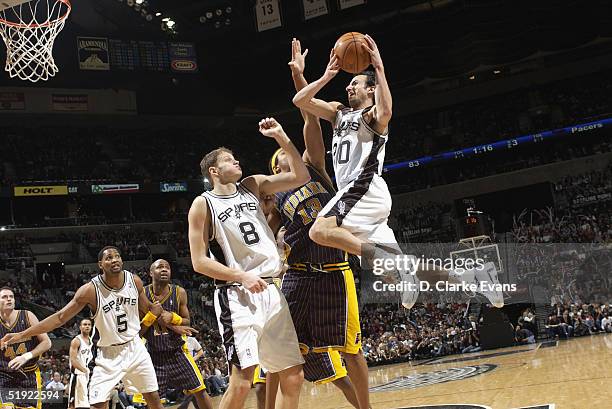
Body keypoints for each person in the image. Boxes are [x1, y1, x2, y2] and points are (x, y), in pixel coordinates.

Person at [292, 35, 503, 309]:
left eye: (355, 82)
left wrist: (379, 68)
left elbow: (387, 109)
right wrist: (322, 76)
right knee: (396, 272)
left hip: (362, 188)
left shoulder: (373, 118)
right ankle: (471, 276)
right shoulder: (337, 113)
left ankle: (388, 260)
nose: (348, 87)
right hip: (360, 197)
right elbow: (300, 102)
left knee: (319, 230)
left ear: (371, 90)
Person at [264, 38, 369, 409]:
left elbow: (309, 115)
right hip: (298, 274)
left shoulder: (316, 170)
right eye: (279, 165)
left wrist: (300, 75)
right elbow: (270, 238)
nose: (285, 167)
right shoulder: (274, 197)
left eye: (288, 160)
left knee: (350, 352)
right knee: (282, 354)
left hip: (334, 269)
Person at [188, 117, 309, 409]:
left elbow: (301, 177)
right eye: (230, 160)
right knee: (242, 380)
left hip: (271, 289)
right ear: (215, 171)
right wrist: (241, 276)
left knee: (293, 375)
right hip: (237, 294)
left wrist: (281, 136)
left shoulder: (252, 185)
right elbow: (199, 261)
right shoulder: (203, 204)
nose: (237, 161)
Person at [0, 246, 191, 409]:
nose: (114, 260)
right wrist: (21, 335)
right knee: (98, 404)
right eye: (109, 258)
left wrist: (174, 324)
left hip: (135, 348)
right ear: (100, 265)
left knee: (154, 399)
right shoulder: (89, 290)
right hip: (107, 354)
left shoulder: (135, 281)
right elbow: (59, 318)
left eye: (117, 256)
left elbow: (149, 308)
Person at [137, 259, 213, 409]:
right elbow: (138, 331)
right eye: (160, 267)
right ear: (151, 272)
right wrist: (151, 316)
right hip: (153, 354)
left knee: (200, 390)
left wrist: (173, 318)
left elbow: (187, 323)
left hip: (177, 352)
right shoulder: (142, 294)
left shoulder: (180, 292)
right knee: (152, 402)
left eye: (167, 267)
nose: (164, 269)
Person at [0, 286, 52, 409]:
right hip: (4, 376)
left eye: (11, 297)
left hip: (29, 374)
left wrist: (25, 356)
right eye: (4, 297)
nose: (9, 299)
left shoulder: (27, 316)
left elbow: (47, 342)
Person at [68, 318, 94, 409]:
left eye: (89, 324)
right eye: (84, 324)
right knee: (73, 405)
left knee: (85, 404)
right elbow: (73, 360)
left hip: (86, 375)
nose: (87, 326)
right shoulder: (76, 341)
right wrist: (84, 370)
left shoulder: (91, 341)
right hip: (77, 375)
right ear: (80, 327)